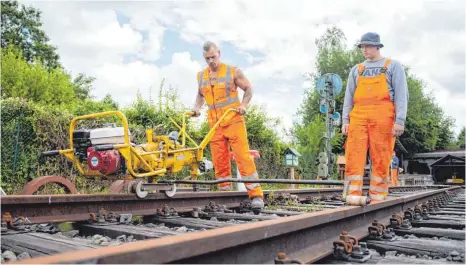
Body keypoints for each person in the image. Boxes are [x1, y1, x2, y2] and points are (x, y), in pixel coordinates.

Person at [191, 41, 264, 210]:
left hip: (233, 120)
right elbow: (201, 94)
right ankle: (226, 197)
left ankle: (256, 196)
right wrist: (196, 108)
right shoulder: (201, 76)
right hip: (215, 124)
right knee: (219, 161)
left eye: (213, 57)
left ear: (219, 53)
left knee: (243, 157)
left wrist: (244, 105)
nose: (210, 61)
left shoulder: (232, 71)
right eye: (207, 58)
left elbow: (248, 88)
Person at [342, 32, 408, 202]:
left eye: (368, 46)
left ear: (378, 46)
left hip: (383, 117)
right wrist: (345, 121)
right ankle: (352, 195)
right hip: (358, 117)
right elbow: (348, 97)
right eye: (362, 46)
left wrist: (400, 120)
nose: (364, 49)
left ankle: (378, 197)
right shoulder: (357, 70)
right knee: (353, 156)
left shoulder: (393, 66)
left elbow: (401, 94)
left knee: (381, 157)